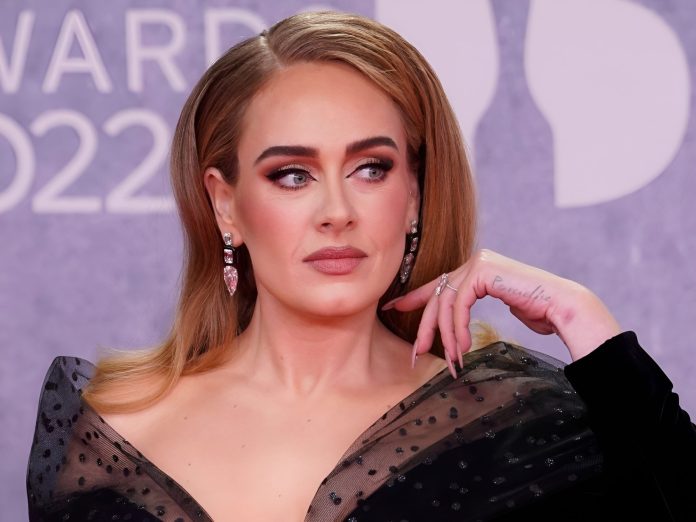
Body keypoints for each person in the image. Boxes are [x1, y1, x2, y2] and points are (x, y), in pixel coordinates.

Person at [26, 10, 695, 522]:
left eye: (371, 168)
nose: (337, 211)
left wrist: (587, 322)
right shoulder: (108, 427)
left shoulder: (523, 423)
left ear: (414, 196)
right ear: (225, 204)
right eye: (292, 175)